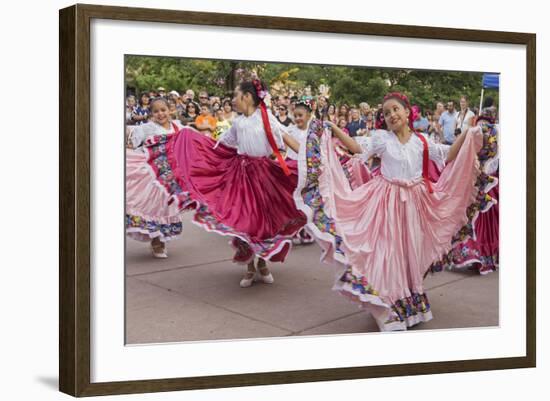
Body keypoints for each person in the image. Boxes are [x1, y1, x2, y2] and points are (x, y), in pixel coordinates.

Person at [291, 92, 483, 331]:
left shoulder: (421, 141)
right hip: (385, 203)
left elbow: (448, 154)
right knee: (387, 252)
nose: (392, 115)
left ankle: (407, 300)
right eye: (386, 112)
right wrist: (333, 129)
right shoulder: (382, 139)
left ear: (407, 111)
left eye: (396, 109)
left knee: (408, 253)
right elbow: (357, 148)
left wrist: (467, 133)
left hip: (415, 204)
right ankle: (387, 305)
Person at [124, 78, 306, 288]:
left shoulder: (266, 118)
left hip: (264, 174)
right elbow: (221, 144)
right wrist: (191, 140)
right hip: (240, 175)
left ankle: (263, 264)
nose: (233, 100)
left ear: (247, 97)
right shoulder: (238, 122)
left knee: (262, 220)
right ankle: (249, 267)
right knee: (244, 219)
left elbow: (286, 139)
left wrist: (307, 156)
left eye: (236, 96)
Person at [125, 97, 185, 258]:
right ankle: (157, 242)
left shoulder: (178, 127)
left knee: (167, 206)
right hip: (153, 176)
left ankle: (161, 240)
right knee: (156, 206)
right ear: (151, 114)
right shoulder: (147, 128)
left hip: (171, 177)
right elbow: (132, 144)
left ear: (170, 110)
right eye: (156, 111)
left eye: (163, 110)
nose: (160, 114)